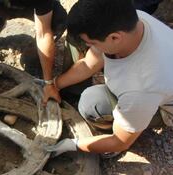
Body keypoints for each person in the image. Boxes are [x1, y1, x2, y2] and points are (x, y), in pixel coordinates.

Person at [42, 0, 173, 157]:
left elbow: (120, 140)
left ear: (115, 38)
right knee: (78, 37)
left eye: (91, 43)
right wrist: (54, 85)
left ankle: (112, 146)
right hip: (155, 82)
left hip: (164, 106)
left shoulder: (141, 88)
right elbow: (89, 63)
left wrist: (72, 144)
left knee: (92, 103)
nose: (88, 46)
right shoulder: (133, 20)